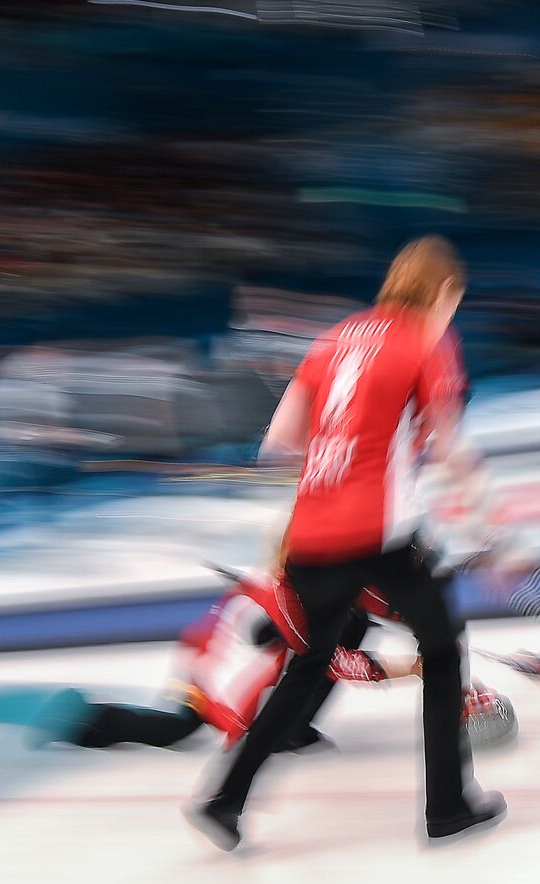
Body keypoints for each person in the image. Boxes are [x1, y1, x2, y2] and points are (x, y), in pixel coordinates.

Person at [184, 235, 504, 851]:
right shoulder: (427, 340)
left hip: (309, 535)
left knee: (307, 666)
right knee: (442, 650)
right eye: (453, 303)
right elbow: (450, 449)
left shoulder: (334, 338)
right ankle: (448, 807)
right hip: (376, 534)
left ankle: (224, 800)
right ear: (443, 291)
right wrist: (491, 531)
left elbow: (279, 441)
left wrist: (342, 450)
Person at [31, 569, 515, 753]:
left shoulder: (318, 588)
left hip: (244, 644)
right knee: (178, 728)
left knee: (349, 627)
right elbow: (337, 663)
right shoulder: (296, 608)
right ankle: (87, 721)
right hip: (216, 668)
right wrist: (415, 667)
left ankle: (292, 727)